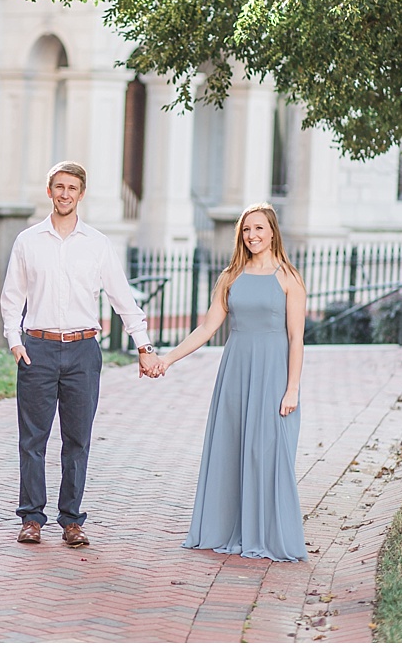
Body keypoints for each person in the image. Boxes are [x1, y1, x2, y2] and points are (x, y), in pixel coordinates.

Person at [0, 160, 161, 547]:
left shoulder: (98, 244)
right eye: (59, 187)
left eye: (72, 188)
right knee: (32, 440)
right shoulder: (28, 241)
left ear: (81, 194)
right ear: (49, 191)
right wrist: (15, 340)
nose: (65, 194)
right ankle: (32, 518)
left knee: (77, 440)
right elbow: (11, 296)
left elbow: (123, 298)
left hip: (83, 352)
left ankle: (71, 520)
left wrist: (144, 346)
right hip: (36, 348)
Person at [147, 203, 307, 561]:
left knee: (269, 453)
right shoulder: (230, 276)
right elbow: (206, 329)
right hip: (236, 372)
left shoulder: (289, 278)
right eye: (246, 229)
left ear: (272, 232)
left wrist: (292, 387)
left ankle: (269, 535)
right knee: (234, 449)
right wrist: (167, 359)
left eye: (259, 229)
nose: (252, 235)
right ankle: (228, 528)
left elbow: (296, 338)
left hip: (274, 375)